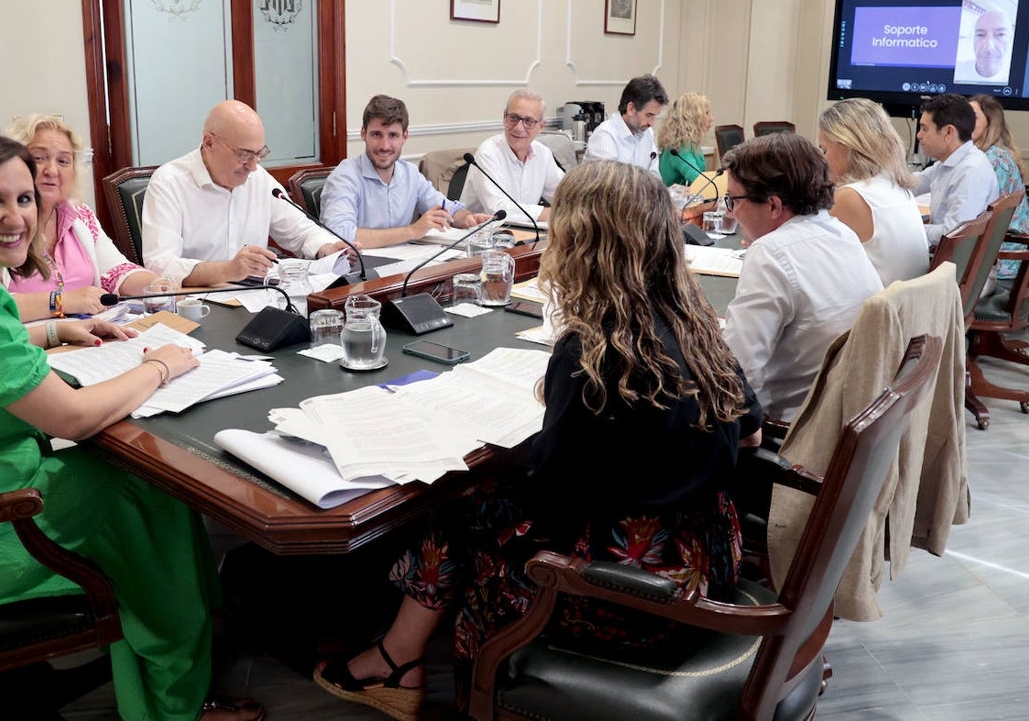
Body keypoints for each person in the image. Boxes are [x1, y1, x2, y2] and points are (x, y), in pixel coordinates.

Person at [314, 162, 762, 719]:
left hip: (633, 596)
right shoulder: (697, 322)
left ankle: (398, 658)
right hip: (707, 564)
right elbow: (753, 431)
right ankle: (399, 652)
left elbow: (549, 502)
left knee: (461, 508)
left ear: (582, 244)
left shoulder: (592, 352)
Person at [0, 130, 260, 721]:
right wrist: (160, 366)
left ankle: (194, 628)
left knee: (140, 490)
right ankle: (177, 699)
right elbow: (74, 417)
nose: (15, 217)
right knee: (149, 492)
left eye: (24, 199)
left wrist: (55, 330)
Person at [722, 132, 882, 422]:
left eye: (733, 200)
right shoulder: (842, 233)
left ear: (773, 205)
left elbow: (736, 376)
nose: (730, 213)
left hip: (786, 430)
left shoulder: (770, 254)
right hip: (841, 415)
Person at [142, 99, 349, 286]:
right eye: (243, 154)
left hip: (256, 298)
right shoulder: (169, 182)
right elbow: (160, 265)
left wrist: (326, 248)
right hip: (197, 304)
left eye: (259, 154)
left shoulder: (258, 177)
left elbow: (299, 229)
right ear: (209, 143)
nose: (252, 166)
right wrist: (228, 270)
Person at [4, 114, 167, 320]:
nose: (52, 170)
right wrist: (64, 301)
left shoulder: (80, 215)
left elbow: (116, 270)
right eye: (39, 158)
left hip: (86, 338)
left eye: (63, 161)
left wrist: (158, 285)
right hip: (27, 343)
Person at [320, 95, 491, 247]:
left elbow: (447, 210)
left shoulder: (410, 173)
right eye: (376, 135)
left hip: (403, 269)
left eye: (393, 135)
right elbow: (340, 235)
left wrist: (468, 219)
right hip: (358, 273)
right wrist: (412, 231)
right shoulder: (344, 176)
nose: (385, 146)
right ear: (363, 134)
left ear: (405, 137)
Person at [816, 98, 929, 286]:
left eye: (824, 149)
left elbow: (812, 264)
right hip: (904, 307)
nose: (822, 160)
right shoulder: (896, 187)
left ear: (846, 144)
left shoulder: (852, 197)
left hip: (872, 311)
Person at [459, 89, 563, 221]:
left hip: (526, 233)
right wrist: (551, 214)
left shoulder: (543, 153)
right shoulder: (488, 153)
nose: (519, 127)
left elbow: (565, 194)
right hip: (484, 236)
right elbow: (499, 209)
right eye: (513, 118)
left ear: (541, 126)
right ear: (504, 118)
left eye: (528, 121)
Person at [912, 93, 999, 247]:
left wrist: (911, 230)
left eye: (924, 129)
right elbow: (913, 184)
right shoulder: (949, 162)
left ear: (948, 132)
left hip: (951, 265)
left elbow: (954, 232)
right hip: (946, 257)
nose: (919, 135)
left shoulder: (970, 171)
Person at [969, 94, 1029, 278]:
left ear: (990, 123)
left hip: (1003, 259)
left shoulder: (994, 159)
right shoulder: (994, 154)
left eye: (973, 116)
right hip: (1003, 253)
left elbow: (974, 213)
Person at [582, 74, 668, 173]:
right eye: (648, 115)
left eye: (655, 116)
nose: (651, 124)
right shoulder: (605, 136)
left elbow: (654, 176)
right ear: (631, 108)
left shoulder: (648, 133)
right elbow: (611, 185)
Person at [655, 91, 712, 186]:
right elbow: (698, 181)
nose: (711, 118)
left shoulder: (691, 143)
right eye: (706, 113)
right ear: (693, 118)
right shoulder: (680, 147)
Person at [955, 7, 1014, 84]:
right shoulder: (958, 70)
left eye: (1000, 34)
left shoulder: (1017, 78)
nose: (988, 47)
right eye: (980, 35)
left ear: (1010, 39)